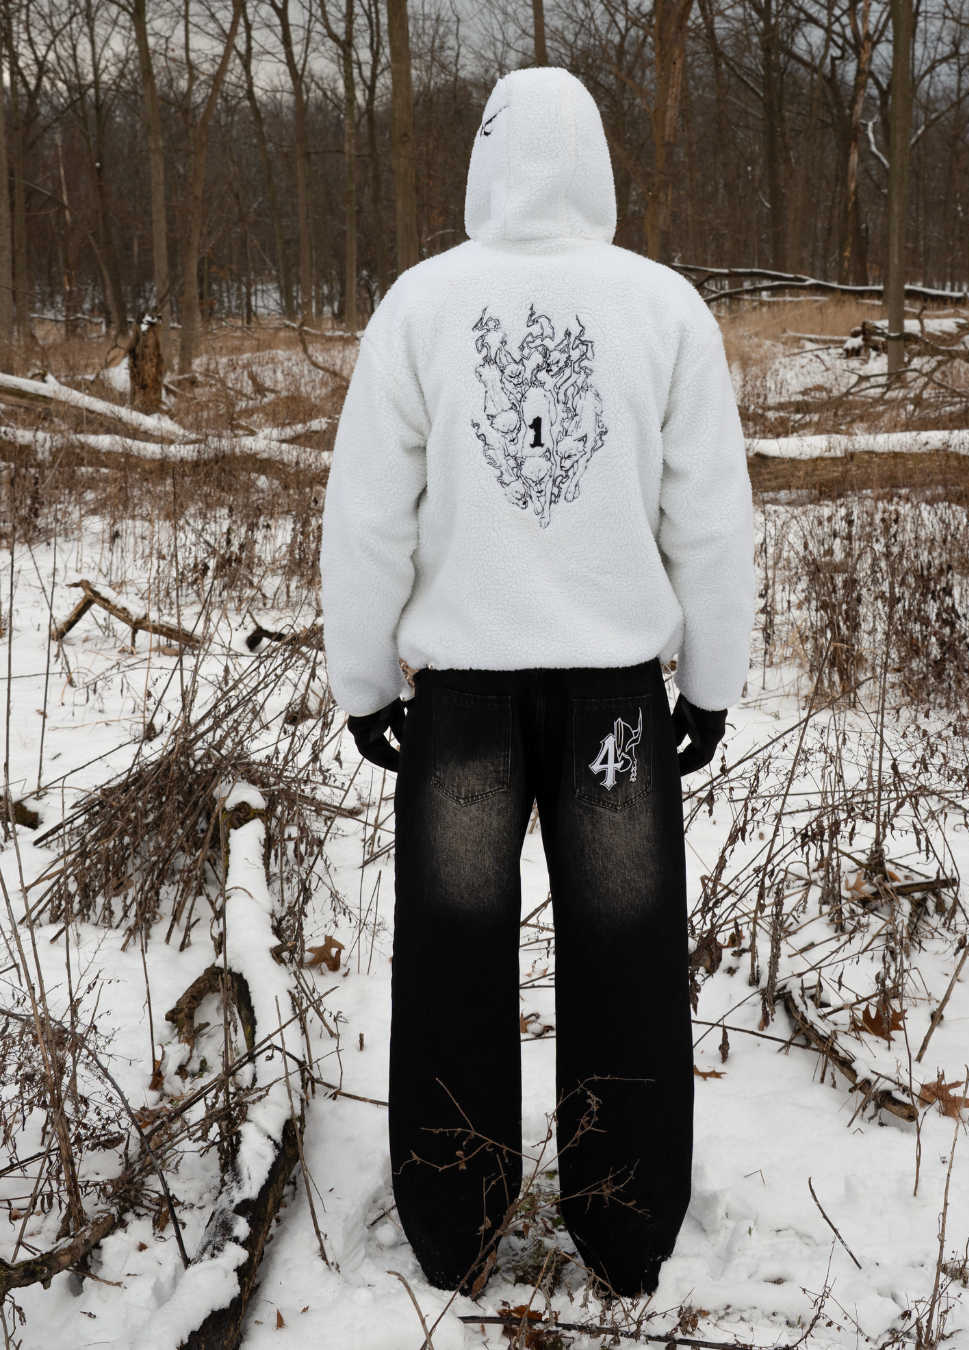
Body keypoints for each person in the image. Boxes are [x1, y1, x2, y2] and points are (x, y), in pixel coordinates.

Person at [320, 67, 754, 1299]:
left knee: (451, 962)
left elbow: (366, 516)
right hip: (616, 696)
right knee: (626, 959)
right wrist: (709, 681)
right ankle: (626, 1225)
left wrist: (365, 682)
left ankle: (453, 1220)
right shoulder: (662, 308)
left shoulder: (421, 304)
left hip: (461, 701)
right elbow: (711, 519)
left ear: (486, 158)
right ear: (597, 160)